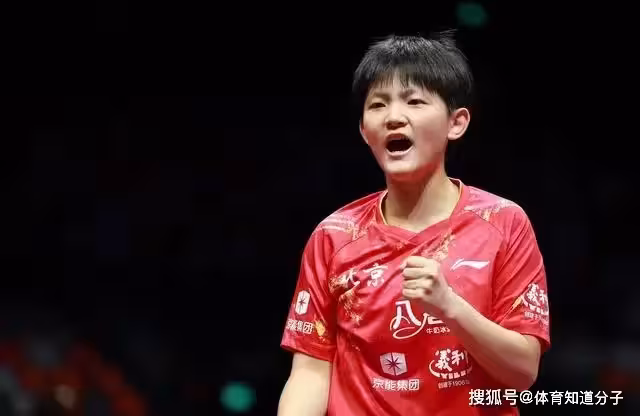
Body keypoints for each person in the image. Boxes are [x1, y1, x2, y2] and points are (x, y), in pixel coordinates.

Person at [277, 30, 550, 416]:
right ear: (364, 131)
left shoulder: (503, 223)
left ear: (456, 123)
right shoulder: (334, 236)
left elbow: (523, 372)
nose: (393, 117)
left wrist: (449, 307)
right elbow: (310, 374)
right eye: (378, 105)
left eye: (414, 101)